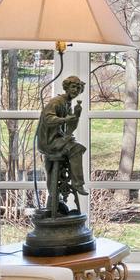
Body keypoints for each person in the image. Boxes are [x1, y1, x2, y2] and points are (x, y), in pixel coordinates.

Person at [36, 75, 88, 216]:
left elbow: (69, 128)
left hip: (58, 138)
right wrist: (64, 119)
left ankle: (56, 198)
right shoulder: (57, 102)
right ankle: (78, 183)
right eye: (73, 87)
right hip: (48, 142)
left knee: (75, 146)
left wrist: (76, 116)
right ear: (66, 87)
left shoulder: (67, 103)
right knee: (76, 148)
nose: (76, 90)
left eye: (78, 88)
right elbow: (48, 119)